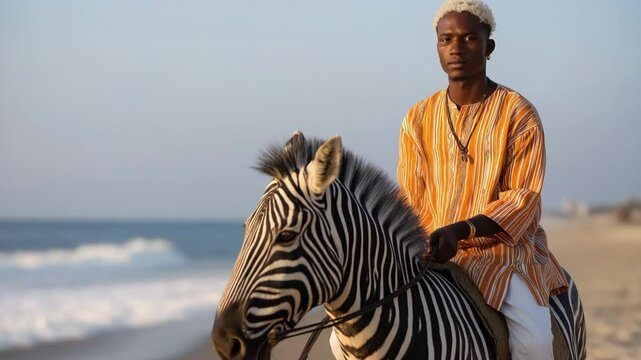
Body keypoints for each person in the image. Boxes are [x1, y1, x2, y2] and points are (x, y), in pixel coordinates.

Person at [396, 1, 569, 359]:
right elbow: (409, 199)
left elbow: (522, 199)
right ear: (437, 47)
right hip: (431, 251)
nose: (456, 48)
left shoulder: (519, 113)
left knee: (535, 342)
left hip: (502, 254)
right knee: (348, 337)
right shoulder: (416, 118)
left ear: (488, 47)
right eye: (446, 39)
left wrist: (459, 231)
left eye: (469, 38)